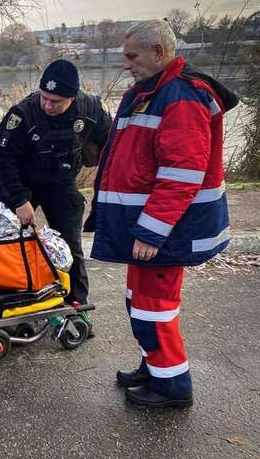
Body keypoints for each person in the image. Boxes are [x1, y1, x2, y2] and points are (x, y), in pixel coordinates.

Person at [85, 20, 237, 408]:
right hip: (151, 226)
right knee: (140, 300)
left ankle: (172, 385)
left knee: (154, 307)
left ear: (159, 53)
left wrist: (152, 232)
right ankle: (154, 366)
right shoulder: (152, 92)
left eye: (132, 56)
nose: (126, 64)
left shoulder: (181, 97)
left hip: (166, 230)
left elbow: (181, 175)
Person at [0, 59, 111, 323]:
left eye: (55, 101)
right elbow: (1, 161)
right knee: (4, 245)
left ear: (72, 97)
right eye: (44, 98)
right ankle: (1, 301)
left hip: (61, 183)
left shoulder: (90, 109)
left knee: (70, 246)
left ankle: (76, 305)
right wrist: (20, 200)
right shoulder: (22, 114)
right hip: (21, 184)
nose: (47, 105)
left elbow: (112, 145)